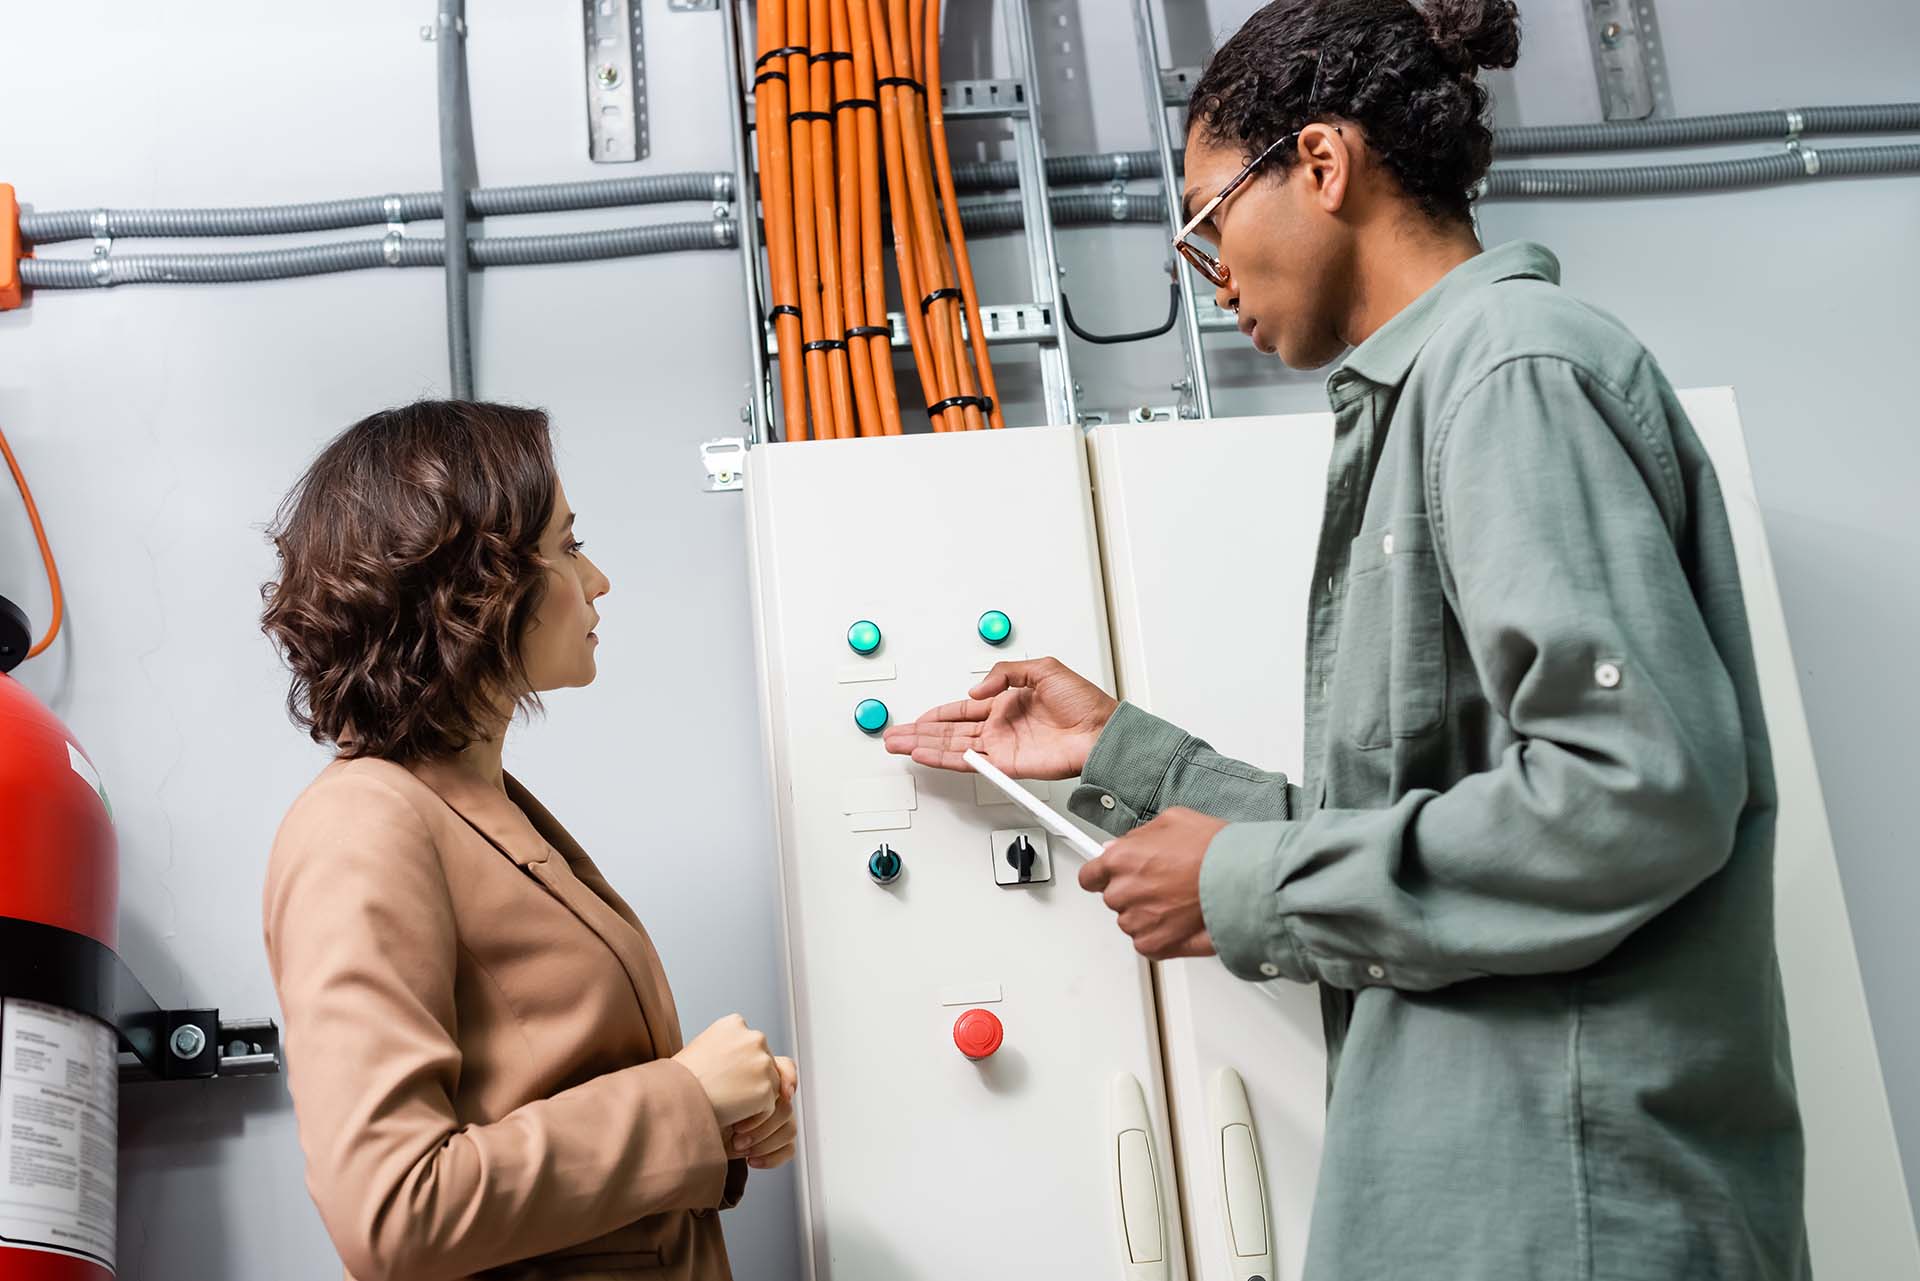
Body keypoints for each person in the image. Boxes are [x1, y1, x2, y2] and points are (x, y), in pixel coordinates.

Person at [886, 1, 1808, 1276]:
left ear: (1321, 165)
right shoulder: (1440, 397)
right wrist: (1123, 752)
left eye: (1207, 223)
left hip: (1566, 1212)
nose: (1213, 287)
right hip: (1486, 1204)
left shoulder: (1509, 372)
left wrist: (1243, 885)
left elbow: (1634, 796)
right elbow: (1423, 826)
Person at [260, 401, 794, 1281]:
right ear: (476, 581)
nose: (600, 580)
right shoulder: (363, 824)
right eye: (570, 544)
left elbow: (538, 1098)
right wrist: (686, 1100)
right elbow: (394, 1211)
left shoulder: (478, 802)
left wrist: (723, 1127)